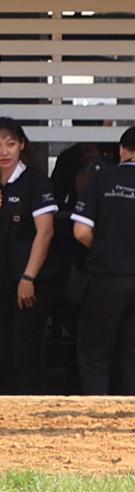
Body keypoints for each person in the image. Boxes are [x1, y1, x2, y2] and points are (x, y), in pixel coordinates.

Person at [69, 125, 135, 402]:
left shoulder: (102, 179)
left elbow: (80, 231)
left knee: (95, 353)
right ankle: (133, 412)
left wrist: (105, 245)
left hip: (107, 278)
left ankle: (95, 408)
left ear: (121, 150)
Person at [0, 119, 48, 394]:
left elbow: (45, 233)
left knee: (23, 350)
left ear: (21, 146)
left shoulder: (35, 180)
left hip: (27, 278)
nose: (4, 152)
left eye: (10, 144)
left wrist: (28, 277)